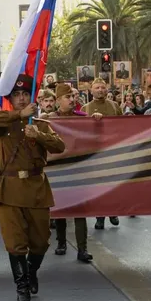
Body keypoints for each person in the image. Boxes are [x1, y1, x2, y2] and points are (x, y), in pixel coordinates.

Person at [0, 74, 65, 301]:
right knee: (15, 244)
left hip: (36, 190)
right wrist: (19, 115)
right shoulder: (4, 123)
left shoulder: (40, 125)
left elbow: (59, 146)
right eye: (16, 95)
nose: (21, 98)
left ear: (32, 97)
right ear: (10, 99)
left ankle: (31, 272)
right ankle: (22, 290)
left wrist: (38, 135)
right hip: (9, 191)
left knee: (40, 243)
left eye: (25, 94)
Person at [42, 84, 92, 262]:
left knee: (80, 210)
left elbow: (95, 134)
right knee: (60, 208)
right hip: (57, 170)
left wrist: (97, 119)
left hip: (78, 169)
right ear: (58, 101)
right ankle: (61, 242)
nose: (72, 100)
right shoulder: (49, 119)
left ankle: (82, 249)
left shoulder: (82, 118)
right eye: (67, 97)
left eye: (72, 96)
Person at [83, 78, 122, 230]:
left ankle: (112, 212)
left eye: (102, 87)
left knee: (112, 185)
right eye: (97, 87)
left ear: (106, 89)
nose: (100, 90)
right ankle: (100, 216)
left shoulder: (114, 106)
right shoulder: (85, 108)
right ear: (91, 90)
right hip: (94, 153)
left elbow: (123, 126)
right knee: (98, 187)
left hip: (112, 151)